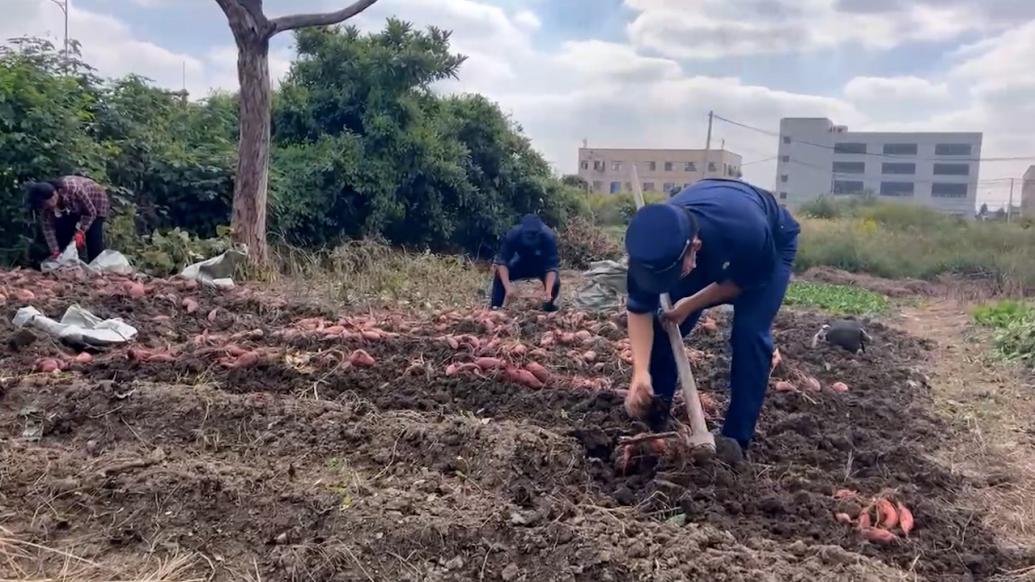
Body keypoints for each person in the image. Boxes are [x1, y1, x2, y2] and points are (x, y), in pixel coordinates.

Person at [623, 178, 800, 462]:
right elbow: (639, 309)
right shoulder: (652, 248)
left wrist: (690, 303)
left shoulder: (745, 233)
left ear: (695, 246)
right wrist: (640, 372)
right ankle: (655, 416)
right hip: (704, 229)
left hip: (770, 243)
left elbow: (741, 284)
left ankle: (735, 439)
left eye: (669, 276)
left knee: (749, 333)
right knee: (664, 326)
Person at [26, 176, 110, 263]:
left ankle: (97, 266)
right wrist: (55, 251)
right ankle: (69, 262)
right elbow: (48, 230)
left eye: (47, 204)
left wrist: (81, 231)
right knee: (64, 234)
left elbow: (90, 212)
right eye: (43, 205)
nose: (47, 207)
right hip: (73, 208)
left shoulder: (74, 190)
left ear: (55, 194)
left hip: (95, 200)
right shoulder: (45, 208)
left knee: (93, 236)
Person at [491, 214, 561, 311]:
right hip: (521, 263)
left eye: (534, 235)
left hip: (540, 266)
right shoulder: (513, 234)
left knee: (555, 282)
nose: (531, 237)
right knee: (499, 275)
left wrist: (548, 291)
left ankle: (548, 306)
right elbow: (502, 263)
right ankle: (495, 306)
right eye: (528, 235)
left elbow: (552, 267)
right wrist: (508, 288)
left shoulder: (548, 236)